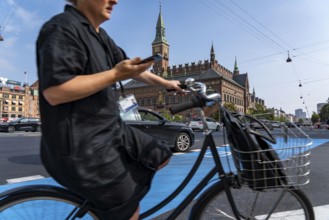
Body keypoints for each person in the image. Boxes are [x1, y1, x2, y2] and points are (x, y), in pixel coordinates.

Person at [36, 0, 182, 219]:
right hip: (81, 145)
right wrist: (114, 75)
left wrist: (167, 84)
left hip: (111, 130)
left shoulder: (101, 36)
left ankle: (111, 203)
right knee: (127, 206)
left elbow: (131, 69)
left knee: (159, 154)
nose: (114, 0)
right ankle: (118, 204)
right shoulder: (61, 28)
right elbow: (55, 92)